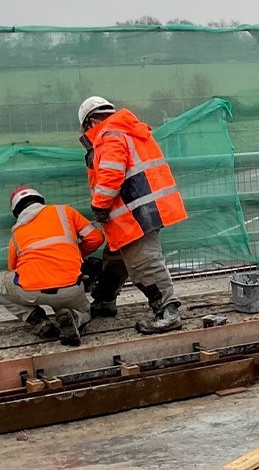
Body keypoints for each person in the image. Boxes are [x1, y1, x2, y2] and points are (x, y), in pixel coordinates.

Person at [78, 96, 189, 334]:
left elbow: (111, 173)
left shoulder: (109, 135)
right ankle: (106, 301)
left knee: (144, 264)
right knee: (116, 258)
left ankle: (168, 311)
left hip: (133, 215)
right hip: (143, 209)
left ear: (90, 122)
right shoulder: (127, 130)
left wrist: (100, 205)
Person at [0, 186, 104, 346]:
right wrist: (74, 255)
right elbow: (96, 238)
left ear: (16, 211)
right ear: (40, 200)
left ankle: (40, 322)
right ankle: (74, 317)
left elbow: (13, 269)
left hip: (32, 292)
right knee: (85, 311)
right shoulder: (65, 212)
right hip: (70, 289)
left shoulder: (16, 233)